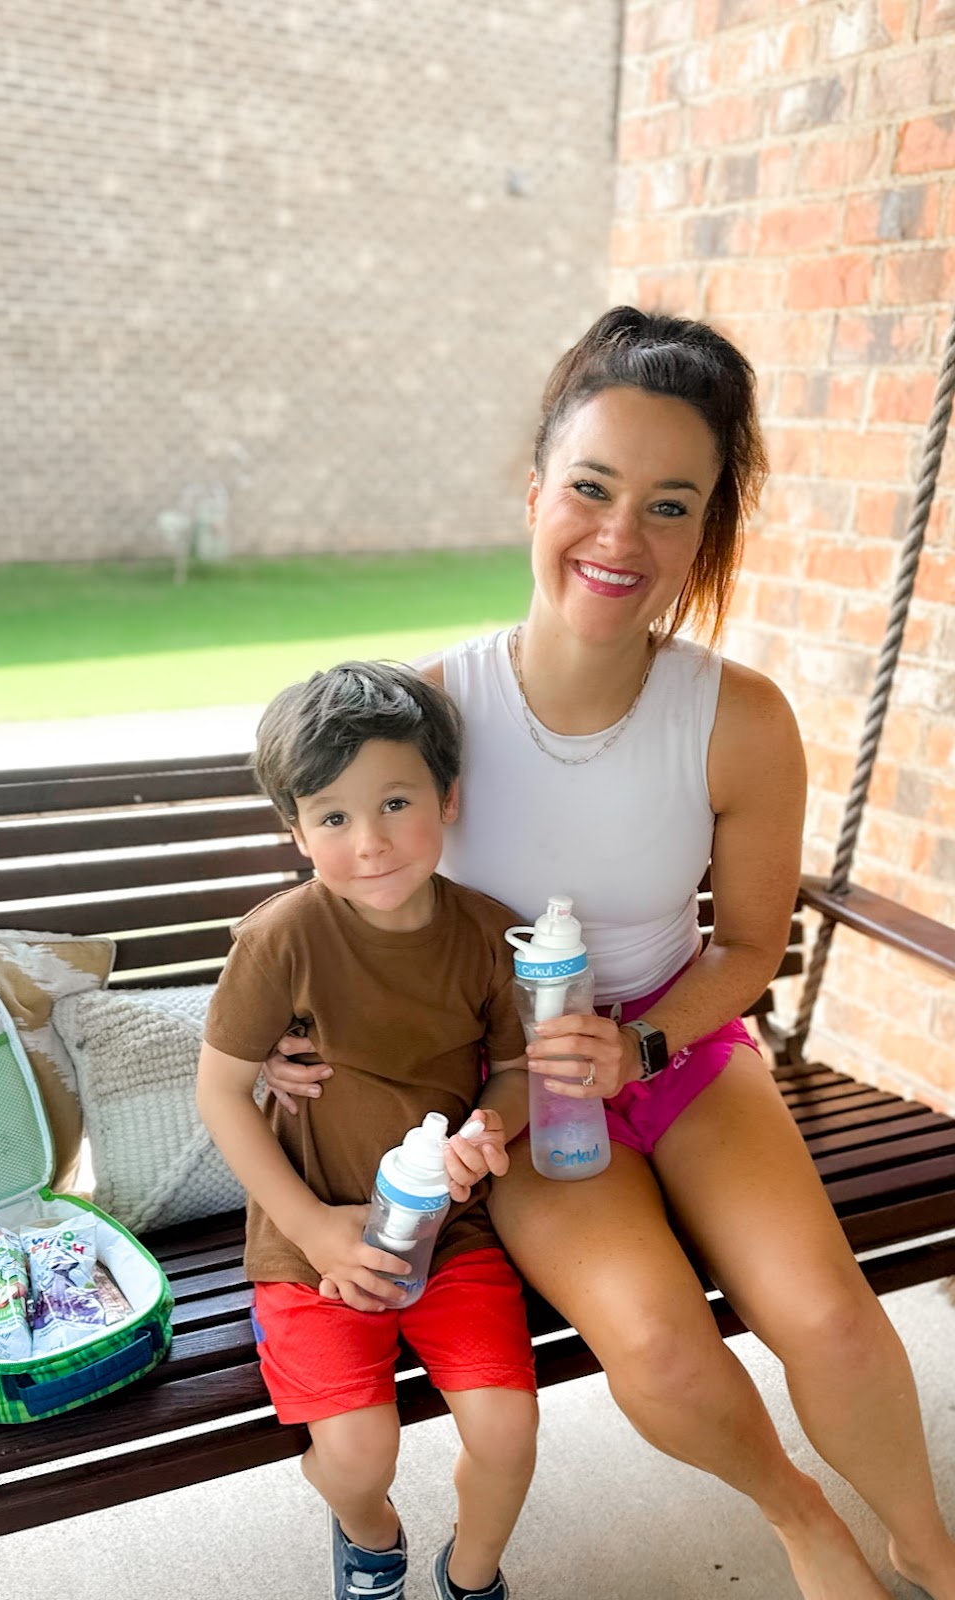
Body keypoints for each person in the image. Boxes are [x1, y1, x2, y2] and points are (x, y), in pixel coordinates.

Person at [263, 307, 955, 1600]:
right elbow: (337, 901)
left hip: (677, 1048)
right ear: (535, 494)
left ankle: (929, 1546)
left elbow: (749, 947)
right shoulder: (432, 717)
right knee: (661, 1345)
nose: (620, 536)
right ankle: (803, 1518)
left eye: (669, 506)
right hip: (514, 1093)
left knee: (827, 1316)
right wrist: (292, 1049)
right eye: (590, 488)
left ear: (705, 534)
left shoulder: (739, 719)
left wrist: (640, 1042)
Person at [195, 660, 539, 1600]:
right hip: (311, 1242)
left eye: (395, 802)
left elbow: (516, 1071)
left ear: (447, 798)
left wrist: (490, 1127)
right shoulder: (282, 939)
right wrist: (313, 1228)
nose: (372, 842)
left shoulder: (487, 935)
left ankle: (471, 1577)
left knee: (508, 1431)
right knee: (356, 1454)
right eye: (334, 817)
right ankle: (371, 1538)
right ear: (296, 831)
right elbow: (221, 1092)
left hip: (450, 1231)